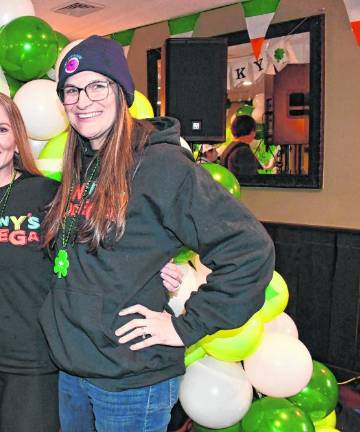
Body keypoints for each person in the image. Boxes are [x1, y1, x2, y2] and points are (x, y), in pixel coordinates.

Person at [39, 35, 275, 431]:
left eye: (98, 85)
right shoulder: (81, 164)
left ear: (121, 93)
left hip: (131, 381)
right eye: (72, 90)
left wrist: (185, 326)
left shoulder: (162, 165)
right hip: (74, 370)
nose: (83, 100)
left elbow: (249, 250)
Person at [0, 92, 183, 432]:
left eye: (2, 129)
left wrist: (148, 265)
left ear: (17, 141)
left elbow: (98, 245)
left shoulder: (50, 194)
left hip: (37, 358)